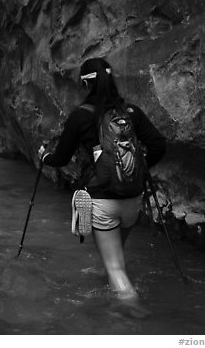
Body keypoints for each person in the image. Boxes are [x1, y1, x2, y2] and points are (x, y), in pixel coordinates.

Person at [38, 57, 166, 313]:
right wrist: (138, 169)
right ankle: (116, 292)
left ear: (86, 85)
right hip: (132, 200)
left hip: (103, 202)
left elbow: (61, 158)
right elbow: (159, 146)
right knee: (117, 258)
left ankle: (134, 313)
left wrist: (44, 156)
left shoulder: (81, 115)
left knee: (115, 267)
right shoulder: (130, 112)